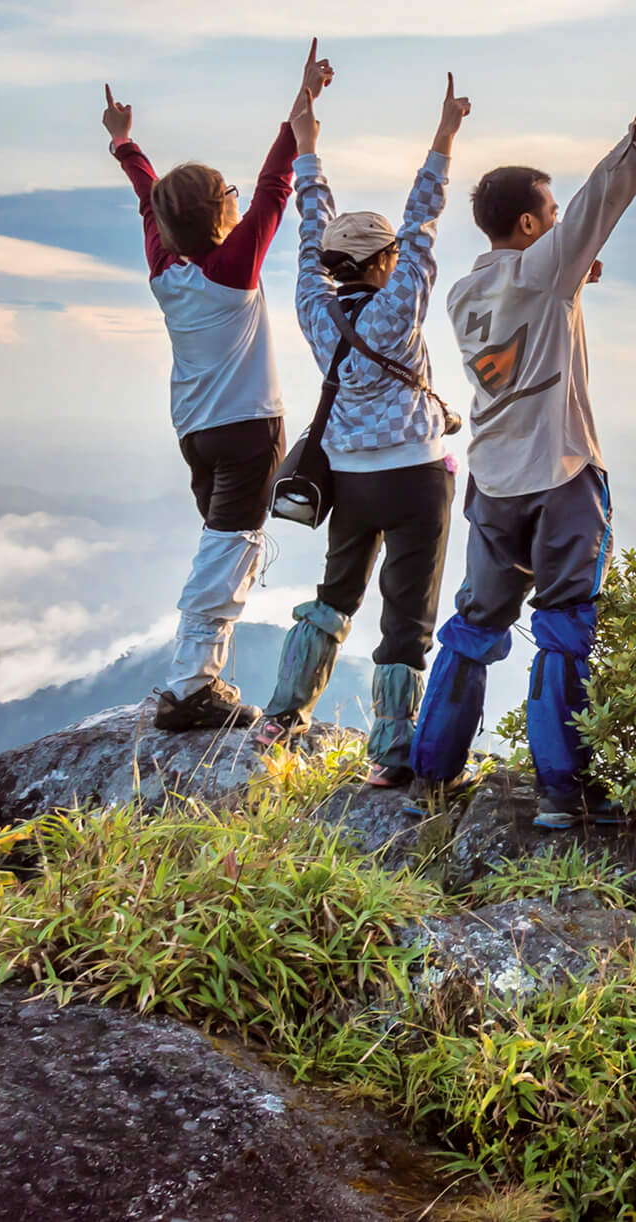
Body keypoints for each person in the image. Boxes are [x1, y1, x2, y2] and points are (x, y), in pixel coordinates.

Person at [407, 50, 636, 829]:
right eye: (549, 209)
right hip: (562, 474)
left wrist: (572, 278)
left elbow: (539, 290)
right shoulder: (545, 273)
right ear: (533, 224)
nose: (558, 213)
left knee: (474, 627)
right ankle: (561, 793)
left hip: (493, 486)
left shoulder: (466, 293)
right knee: (566, 628)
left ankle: (431, 772)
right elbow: (599, 201)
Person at [254, 71, 472, 786]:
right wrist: (443, 137)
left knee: (334, 594)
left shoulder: (314, 310)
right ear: (385, 264)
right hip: (416, 478)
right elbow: (423, 221)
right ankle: (389, 755)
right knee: (405, 617)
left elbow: (310, 227)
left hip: (349, 480)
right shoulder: (399, 304)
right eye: (392, 257)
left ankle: (282, 715)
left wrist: (307, 146)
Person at [105, 43, 329, 731]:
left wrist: (124, 143)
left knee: (223, 540)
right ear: (219, 214)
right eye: (227, 193)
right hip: (246, 433)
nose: (239, 197)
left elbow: (151, 201)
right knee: (230, 548)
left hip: (195, 435)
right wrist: (302, 108)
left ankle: (199, 678)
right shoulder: (230, 272)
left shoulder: (165, 268)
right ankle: (191, 687)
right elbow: (274, 187)